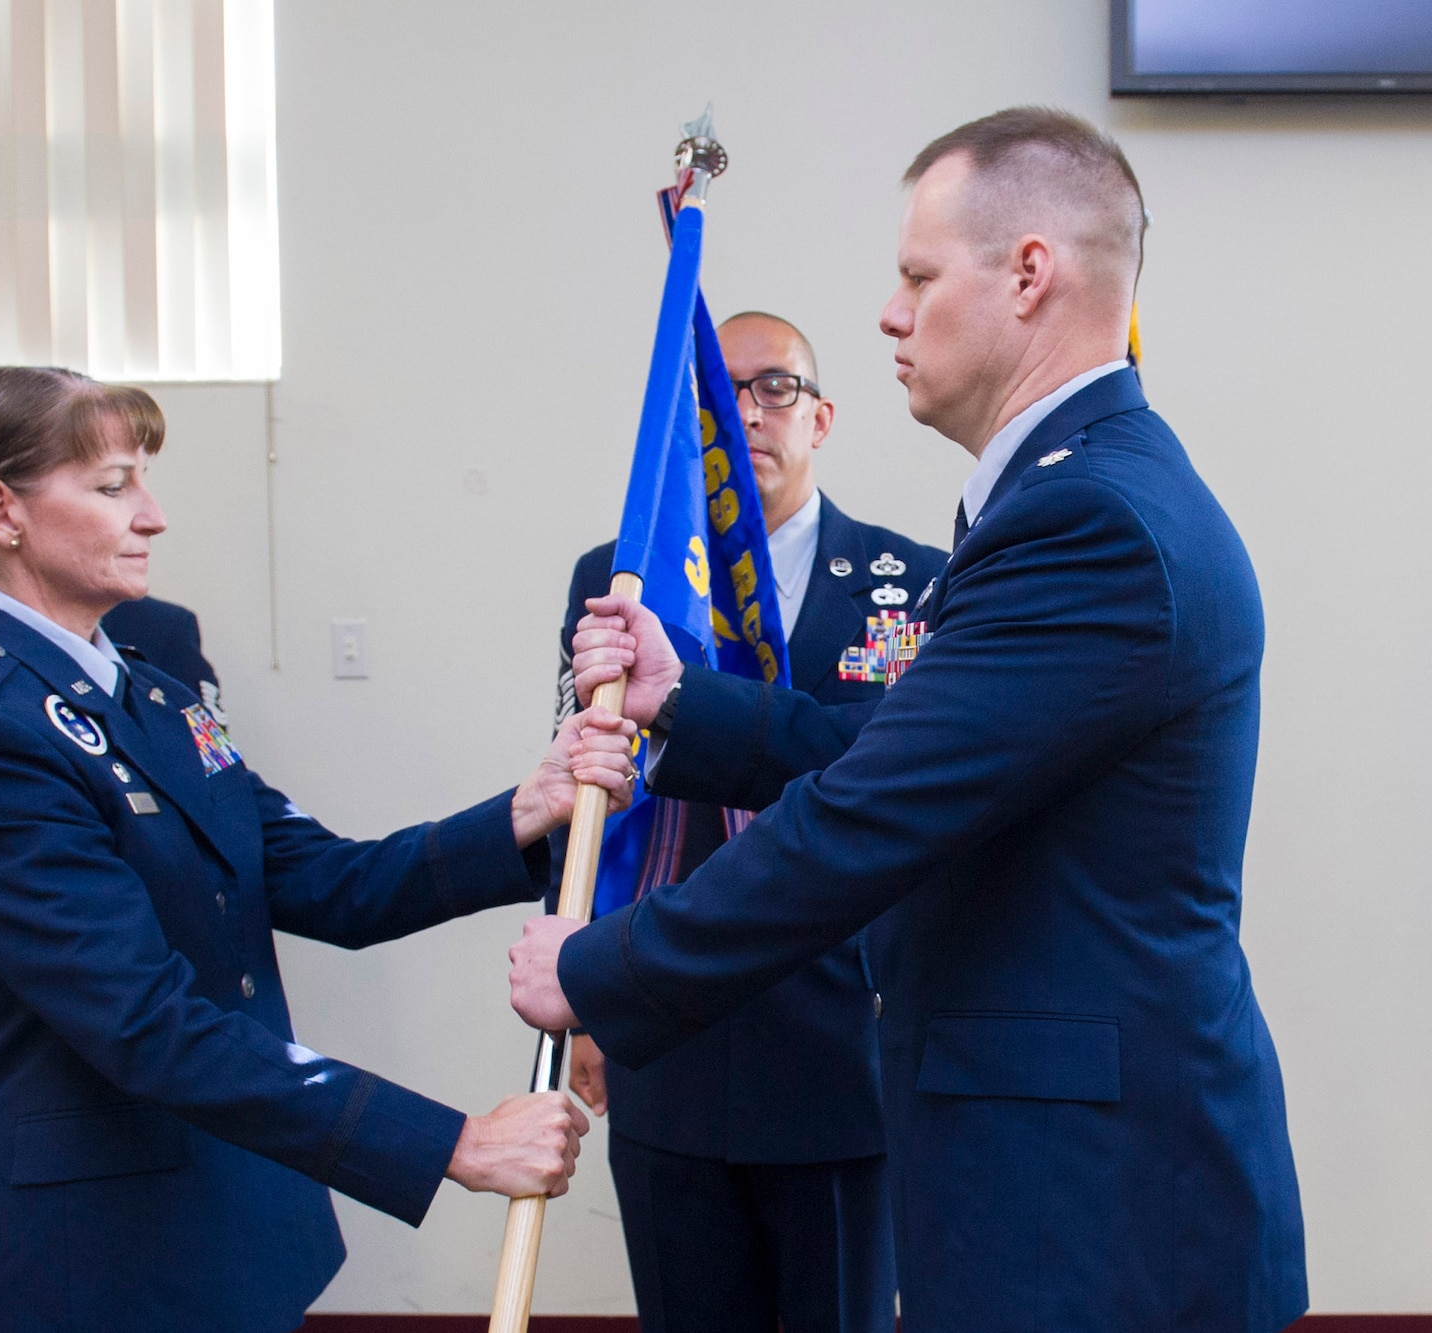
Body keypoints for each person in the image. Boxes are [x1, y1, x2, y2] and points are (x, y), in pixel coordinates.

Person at [510, 108, 1308, 1332]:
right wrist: (691, 701)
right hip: (1056, 1166)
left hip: (1091, 1207)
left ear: (1028, 273)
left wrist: (603, 967)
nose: (889, 312)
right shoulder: (1075, 493)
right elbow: (896, 757)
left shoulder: (1083, 521)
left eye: (918, 275)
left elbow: (871, 811)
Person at [0, 366, 630, 1333]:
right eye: (113, 486)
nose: (151, 516)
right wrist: (456, 1143)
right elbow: (146, 1022)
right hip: (83, 1250)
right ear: (2, 509)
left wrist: (524, 812)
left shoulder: (149, 692)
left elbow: (330, 881)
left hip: (210, 1216)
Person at [551, 311, 943, 1333]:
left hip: (840, 1037)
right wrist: (590, 996)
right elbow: (588, 792)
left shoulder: (914, 583)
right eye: (716, 393)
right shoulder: (621, 580)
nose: (745, 413)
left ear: (820, 416)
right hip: (668, 1023)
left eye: (773, 387)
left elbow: (904, 781)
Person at [0, 592, 221, 1044]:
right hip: (5, 954)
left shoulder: (162, 627)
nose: (150, 522)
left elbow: (214, 786)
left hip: (156, 941)